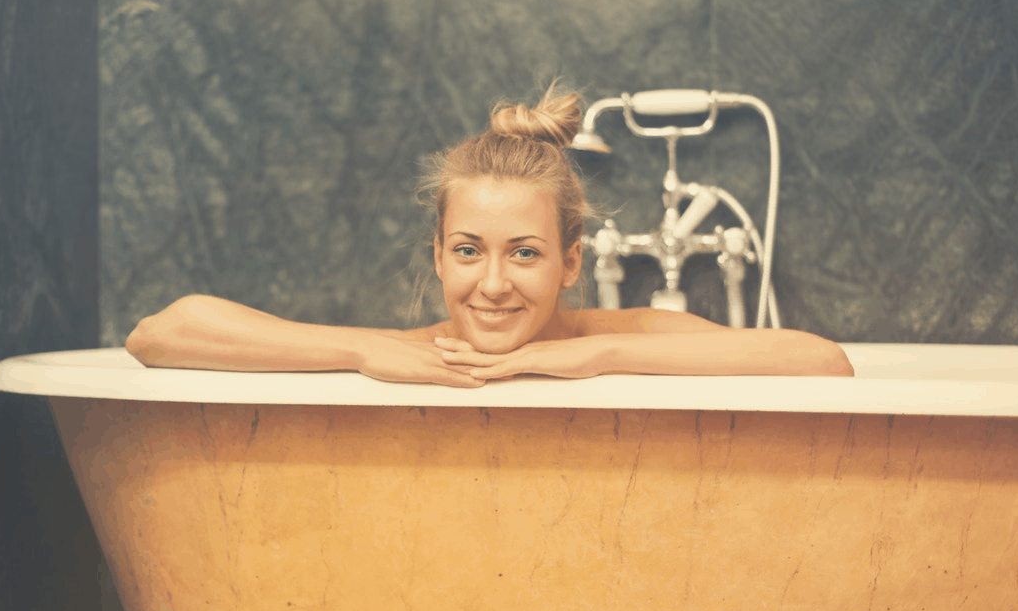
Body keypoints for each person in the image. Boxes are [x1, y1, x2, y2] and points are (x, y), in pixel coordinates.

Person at [125, 82, 855, 385]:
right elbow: (157, 335)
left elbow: (821, 363)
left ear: (573, 264)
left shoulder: (616, 333)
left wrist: (589, 357)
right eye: (468, 250)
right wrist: (359, 352)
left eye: (527, 253)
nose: (494, 284)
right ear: (437, 257)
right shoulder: (421, 355)